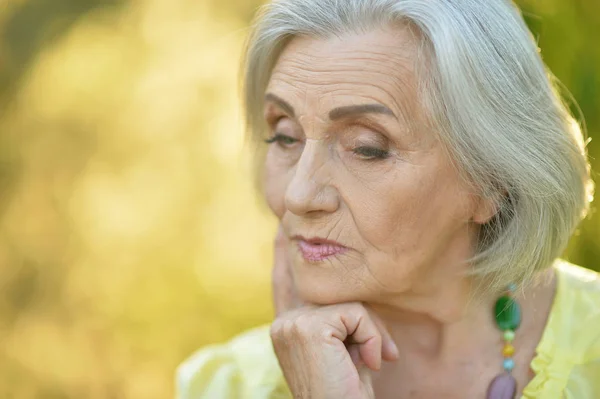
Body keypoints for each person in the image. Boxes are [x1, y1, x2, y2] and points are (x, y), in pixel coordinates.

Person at [177, 0, 600, 398]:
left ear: (492, 179)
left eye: (366, 148)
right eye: (285, 135)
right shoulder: (222, 385)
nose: (298, 194)